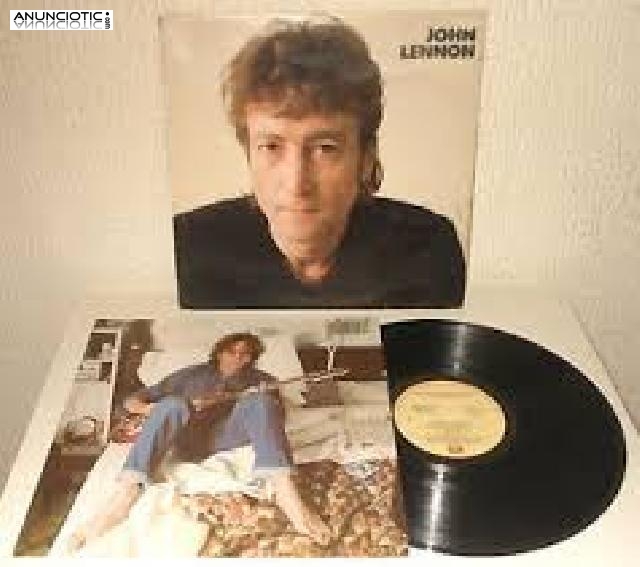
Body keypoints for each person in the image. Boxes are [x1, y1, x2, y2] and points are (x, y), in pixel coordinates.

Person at [173, 16, 466, 308]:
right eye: (271, 146)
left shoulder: (427, 248)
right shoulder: (187, 246)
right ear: (248, 153)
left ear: (366, 158)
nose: (297, 183)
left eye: (325, 149)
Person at [69, 332, 330, 551]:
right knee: (172, 404)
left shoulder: (261, 379)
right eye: (232, 351)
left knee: (261, 401)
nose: (239, 357)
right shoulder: (189, 375)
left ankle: (286, 493)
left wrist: (263, 397)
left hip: (225, 438)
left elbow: (272, 421)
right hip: (186, 437)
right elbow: (132, 401)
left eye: (246, 354)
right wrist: (162, 407)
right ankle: (126, 494)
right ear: (219, 353)